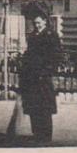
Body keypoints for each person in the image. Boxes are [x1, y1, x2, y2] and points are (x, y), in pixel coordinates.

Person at [19, 14, 61, 143]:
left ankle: (46, 134)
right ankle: (36, 133)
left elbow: (55, 55)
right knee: (33, 105)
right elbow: (29, 53)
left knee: (44, 106)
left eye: (39, 23)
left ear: (45, 21)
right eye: (35, 23)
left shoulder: (51, 35)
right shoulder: (32, 36)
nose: (37, 25)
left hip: (43, 76)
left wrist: (47, 70)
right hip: (31, 76)